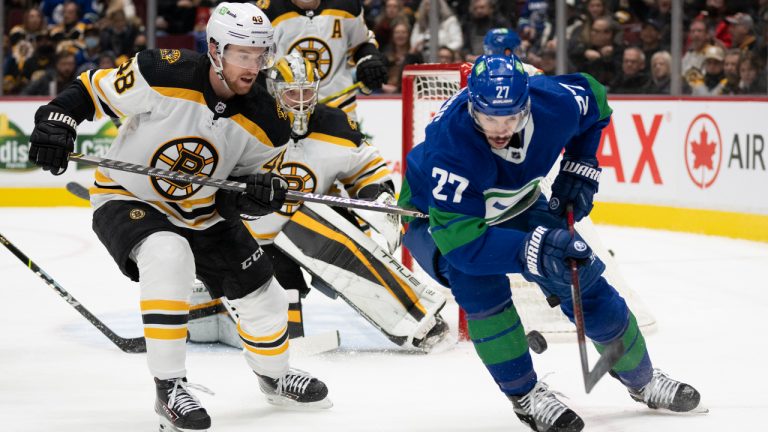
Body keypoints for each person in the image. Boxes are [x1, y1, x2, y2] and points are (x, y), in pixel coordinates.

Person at [26, 3, 332, 431]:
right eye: (243, 54)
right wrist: (57, 120)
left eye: (261, 56)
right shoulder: (160, 72)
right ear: (214, 49)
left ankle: (275, 377)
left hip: (203, 212)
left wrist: (260, 194)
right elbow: (91, 91)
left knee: (266, 297)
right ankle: (169, 388)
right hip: (127, 196)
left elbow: (244, 189)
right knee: (168, 255)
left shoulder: (269, 120)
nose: (253, 66)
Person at [398, 54, 703, 431]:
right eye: (489, 118)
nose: (500, 129)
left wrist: (581, 162)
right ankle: (525, 396)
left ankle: (642, 379)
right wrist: (535, 251)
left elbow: (595, 97)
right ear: (472, 107)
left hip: (517, 199)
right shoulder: (451, 148)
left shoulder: (553, 101)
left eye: (510, 117)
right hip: (437, 218)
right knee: (478, 285)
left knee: (582, 278)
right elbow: (465, 247)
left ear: (528, 104)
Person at [188, 53, 450, 352]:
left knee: (341, 240)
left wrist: (376, 194)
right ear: (274, 92)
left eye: (306, 92)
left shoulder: (334, 124)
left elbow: (367, 168)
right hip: (246, 236)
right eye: (291, 93)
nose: (300, 101)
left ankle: (416, 317)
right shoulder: (246, 120)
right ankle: (215, 310)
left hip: (305, 229)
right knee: (283, 307)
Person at [258, 0, 389, 120]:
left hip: (339, 108)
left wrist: (368, 58)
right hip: (284, 110)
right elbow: (255, 62)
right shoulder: (267, 12)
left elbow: (361, 43)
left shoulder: (346, 5)